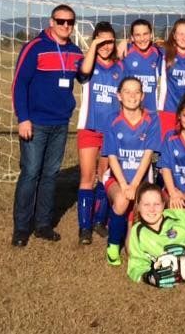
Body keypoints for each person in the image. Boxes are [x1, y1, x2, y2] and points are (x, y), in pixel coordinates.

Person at [11, 4, 83, 247]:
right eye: (61, 21)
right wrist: (23, 118)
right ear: (51, 21)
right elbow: (19, 84)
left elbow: (85, 75)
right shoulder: (34, 47)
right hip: (36, 123)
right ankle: (21, 228)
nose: (65, 25)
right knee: (31, 173)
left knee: (50, 175)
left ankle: (43, 224)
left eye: (70, 22)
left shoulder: (75, 51)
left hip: (60, 123)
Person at [101, 77, 161, 266]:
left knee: (132, 250)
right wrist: (125, 186)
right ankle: (112, 246)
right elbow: (112, 157)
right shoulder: (112, 119)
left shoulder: (152, 119)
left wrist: (135, 185)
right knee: (121, 200)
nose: (132, 96)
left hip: (141, 180)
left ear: (142, 95)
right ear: (119, 95)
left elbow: (147, 156)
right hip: (117, 178)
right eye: (127, 91)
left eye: (136, 92)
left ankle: (134, 232)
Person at [75, 22, 124, 244]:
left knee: (105, 177)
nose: (106, 46)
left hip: (111, 132)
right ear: (95, 41)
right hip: (89, 128)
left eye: (110, 41)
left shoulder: (120, 68)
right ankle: (84, 227)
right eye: (101, 41)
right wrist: (94, 46)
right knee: (87, 178)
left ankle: (98, 221)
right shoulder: (89, 63)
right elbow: (83, 73)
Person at [122, 19, 162, 112]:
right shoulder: (125, 52)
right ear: (132, 37)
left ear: (151, 35)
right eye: (138, 35)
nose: (142, 39)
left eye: (145, 34)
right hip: (130, 110)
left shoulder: (158, 53)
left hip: (151, 111)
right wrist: (123, 42)